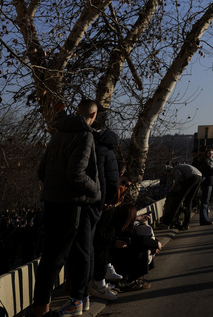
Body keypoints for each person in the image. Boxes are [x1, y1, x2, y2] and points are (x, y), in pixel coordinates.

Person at [35, 98, 102, 317]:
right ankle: (73, 302)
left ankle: (43, 307)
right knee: (67, 255)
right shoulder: (85, 135)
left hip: (52, 203)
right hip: (72, 204)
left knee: (51, 257)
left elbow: (41, 171)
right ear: (92, 116)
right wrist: (95, 190)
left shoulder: (58, 133)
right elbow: (76, 174)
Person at [89, 127, 121, 303]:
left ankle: (99, 281)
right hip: (105, 204)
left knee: (99, 241)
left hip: (103, 202)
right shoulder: (105, 151)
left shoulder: (98, 148)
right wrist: (105, 201)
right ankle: (99, 283)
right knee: (101, 242)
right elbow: (103, 176)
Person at [159, 159, 202, 230]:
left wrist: (172, 189)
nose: (167, 176)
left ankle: (167, 223)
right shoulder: (180, 167)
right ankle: (186, 224)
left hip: (192, 177)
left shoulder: (173, 170)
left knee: (178, 200)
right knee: (189, 200)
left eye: (166, 174)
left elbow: (178, 176)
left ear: (167, 171)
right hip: (199, 176)